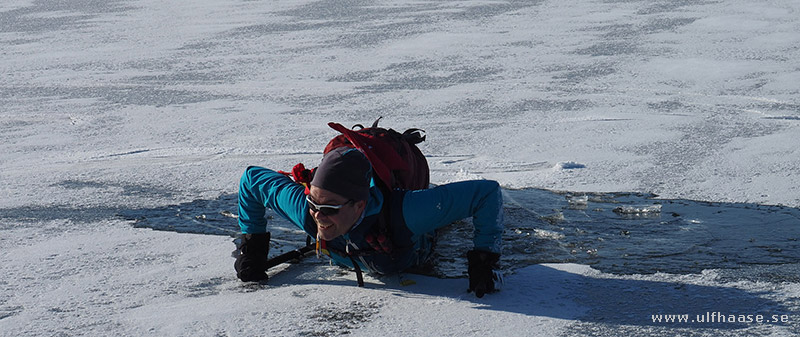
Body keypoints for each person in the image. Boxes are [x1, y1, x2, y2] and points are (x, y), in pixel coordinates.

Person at [234, 146, 504, 297]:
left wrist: (484, 259)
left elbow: (486, 193)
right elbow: (251, 179)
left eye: (329, 208)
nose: (318, 215)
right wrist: (254, 245)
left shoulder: (407, 213)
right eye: (314, 203)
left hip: (416, 235)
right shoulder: (305, 210)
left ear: (359, 205)